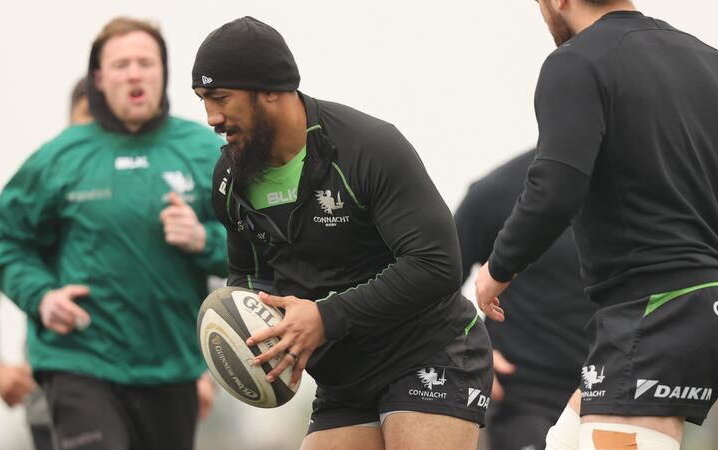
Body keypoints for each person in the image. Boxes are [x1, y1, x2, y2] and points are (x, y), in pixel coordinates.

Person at [192, 17, 493, 450]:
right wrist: (265, 343)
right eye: (203, 100)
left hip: (429, 353)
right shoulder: (231, 177)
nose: (211, 118)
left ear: (271, 89)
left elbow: (438, 265)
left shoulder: (367, 148)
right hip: (343, 376)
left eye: (221, 98)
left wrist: (323, 318)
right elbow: (250, 280)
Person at [474, 1, 718, 449]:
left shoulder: (576, 60)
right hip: (687, 309)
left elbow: (555, 188)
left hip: (657, 309)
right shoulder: (708, 60)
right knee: (565, 442)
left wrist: (496, 271)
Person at [0, 17, 226, 450]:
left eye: (145, 62)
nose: (134, 73)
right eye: (121, 65)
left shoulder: (205, 152)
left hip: (171, 367)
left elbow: (261, 245)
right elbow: (6, 238)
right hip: (79, 363)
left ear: (163, 73)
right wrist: (41, 296)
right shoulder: (60, 158)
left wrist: (204, 240)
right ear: (99, 78)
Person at [0, 77, 91, 450]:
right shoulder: (39, 196)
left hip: (155, 394)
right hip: (54, 404)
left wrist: (203, 374)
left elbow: (204, 280)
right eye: (87, 116)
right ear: (68, 122)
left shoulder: (153, 186)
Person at [455, 149, 597, 450]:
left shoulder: (640, 193)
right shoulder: (498, 192)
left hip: (615, 395)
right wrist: (465, 349)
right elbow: (430, 288)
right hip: (526, 398)